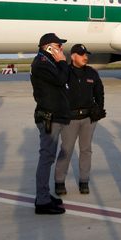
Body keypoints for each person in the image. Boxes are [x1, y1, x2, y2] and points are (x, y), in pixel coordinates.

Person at [54, 43, 105, 196]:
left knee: (86, 150)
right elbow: (57, 94)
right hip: (70, 119)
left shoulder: (92, 73)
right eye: (82, 54)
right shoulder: (65, 73)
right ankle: (59, 181)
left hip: (88, 119)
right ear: (73, 56)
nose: (85, 57)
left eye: (86, 54)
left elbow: (99, 92)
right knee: (67, 150)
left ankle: (84, 181)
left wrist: (99, 109)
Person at [30, 33, 71, 214]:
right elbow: (62, 79)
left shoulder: (46, 62)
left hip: (54, 116)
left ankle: (44, 195)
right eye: (58, 46)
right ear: (48, 47)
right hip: (49, 117)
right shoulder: (42, 63)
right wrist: (62, 61)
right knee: (46, 158)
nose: (61, 49)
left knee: (48, 157)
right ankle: (42, 201)